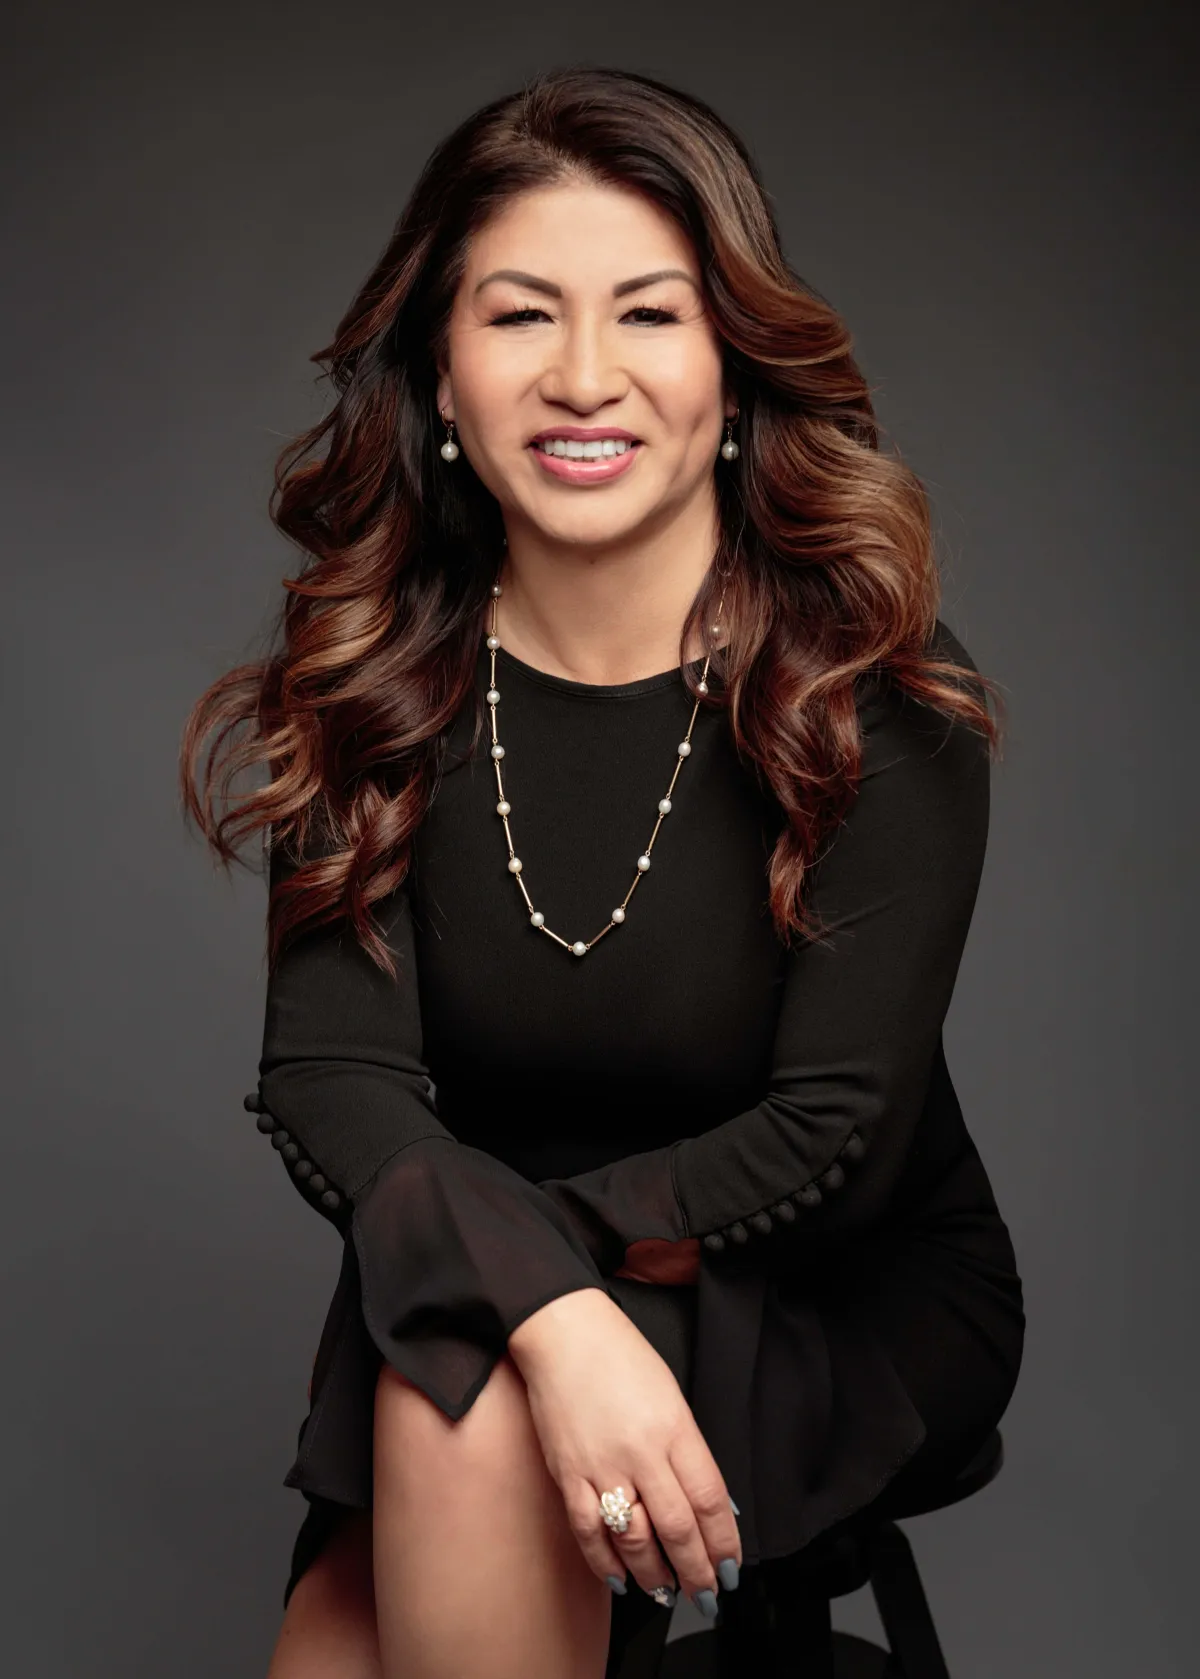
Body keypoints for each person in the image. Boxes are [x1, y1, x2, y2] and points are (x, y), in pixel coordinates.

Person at [181, 64, 1025, 1679]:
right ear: (442, 376)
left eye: (648, 313)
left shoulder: (868, 694)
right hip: (504, 1275)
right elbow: (330, 1076)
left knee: (455, 1402)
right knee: (395, 1531)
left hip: (827, 1278)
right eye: (520, 316)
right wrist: (550, 1308)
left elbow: (833, 1136)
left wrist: (506, 1267)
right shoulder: (371, 677)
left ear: (733, 371)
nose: (583, 376)